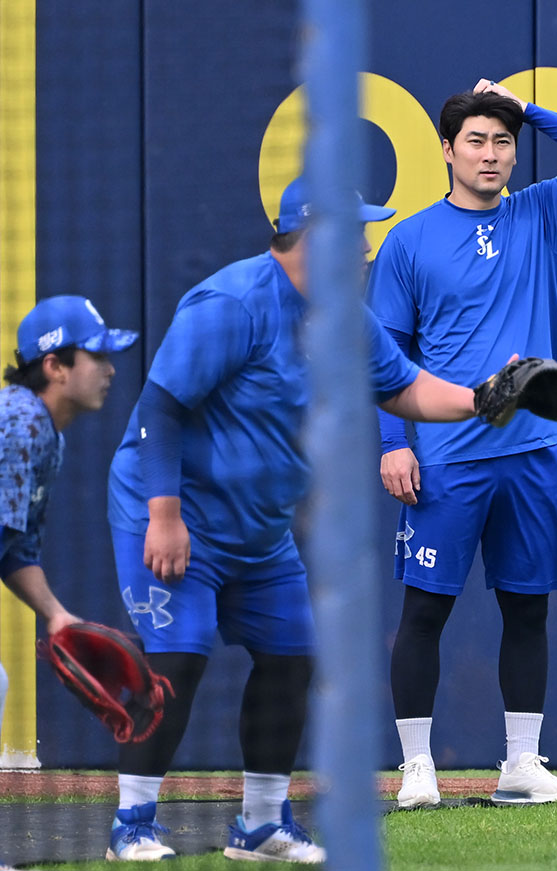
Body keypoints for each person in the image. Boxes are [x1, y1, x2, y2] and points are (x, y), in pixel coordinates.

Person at [104, 177, 516, 863]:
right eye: (353, 232)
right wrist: (164, 515)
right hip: (177, 514)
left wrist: (483, 398)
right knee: (180, 652)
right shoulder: (230, 303)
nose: (364, 246)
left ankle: (260, 825)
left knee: (293, 656)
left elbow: (406, 386)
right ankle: (131, 824)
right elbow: (161, 410)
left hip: (260, 531)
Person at [367, 79, 557, 808]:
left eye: (503, 141)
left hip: (535, 447)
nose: (490, 153)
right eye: (476, 140)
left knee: (528, 607)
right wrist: (395, 441)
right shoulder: (410, 239)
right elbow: (384, 347)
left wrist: (526, 106)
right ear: (447, 151)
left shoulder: (542, 213)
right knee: (425, 609)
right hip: (448, 453)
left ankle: (520, 762)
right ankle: (417, 766)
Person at [1, 294, 137, 757]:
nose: (110, 369)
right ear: (56, 366)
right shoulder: (21, 425)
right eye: (96, 355)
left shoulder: (44, 433)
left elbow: (15, 551)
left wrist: (57, 615)